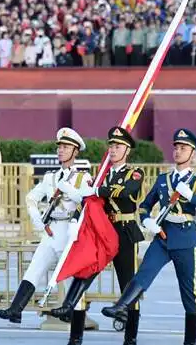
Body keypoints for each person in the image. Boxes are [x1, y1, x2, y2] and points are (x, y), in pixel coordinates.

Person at [100, 128, 196, 345]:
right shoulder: (164, 179)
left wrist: (191, 196)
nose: (178, 151)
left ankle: (190, 341)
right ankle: (121, 306)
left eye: (183, 148)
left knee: (188, 291)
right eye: (176, 147)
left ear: (192, 153)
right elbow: (145, 205)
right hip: (163, 235)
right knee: (143, 273)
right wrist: (147, 221)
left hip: (185, 237)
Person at [47, 125, 145, 345]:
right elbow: (89, 201)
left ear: (127, 150)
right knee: (84, 269)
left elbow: (126, 191)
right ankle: (72, 322)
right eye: (111, 145)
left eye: (118, 146)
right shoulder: (101, 174)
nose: (113, 149)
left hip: (124, 231)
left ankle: (130, 339)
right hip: (102, 230)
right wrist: (76, 220)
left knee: (128, 287)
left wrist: (99, 190)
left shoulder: (134, 173)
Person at [0, 128, 92, 340]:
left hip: (70, 231)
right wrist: (38, 222)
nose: (61, 151)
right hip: (51, 230)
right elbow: (31, 198)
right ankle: (16, 310)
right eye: (59, 147)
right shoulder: (50, 177)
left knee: (71, 281)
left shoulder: (83, 177)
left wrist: (69, 190)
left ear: (75, 151)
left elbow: (87, 202)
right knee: (35, 267)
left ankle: (76, 328)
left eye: (66, 147)